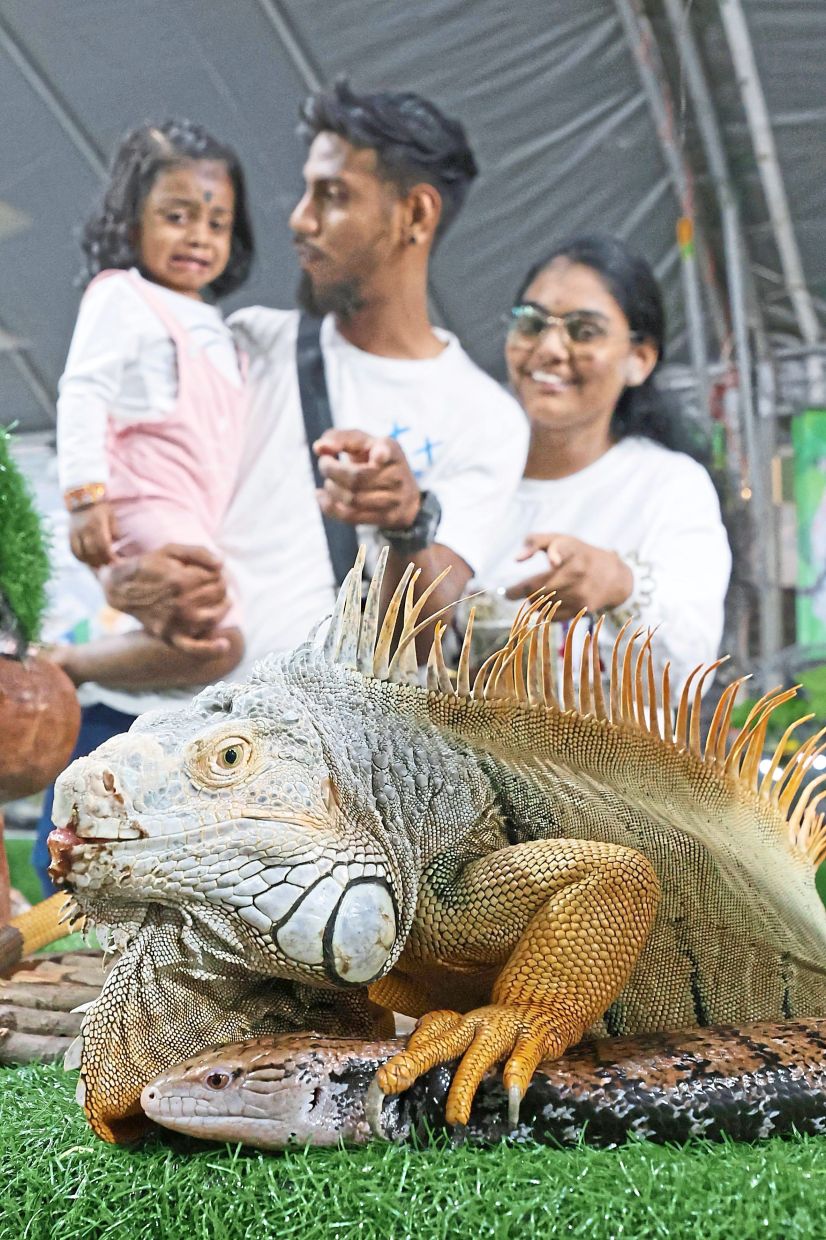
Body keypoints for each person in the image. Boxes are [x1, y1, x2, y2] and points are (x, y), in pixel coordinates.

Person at [36, 83, 528, 892]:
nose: (298, 217)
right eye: (305, 191)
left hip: (311, 813)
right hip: (164, 773)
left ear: (415, 216)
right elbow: (134, 464)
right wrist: (122, 575)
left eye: (332, 196)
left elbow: (429, 614)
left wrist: (407, 521)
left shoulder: (484, 417)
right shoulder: (246, 346)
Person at [471, 233, 731, 695]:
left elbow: (690, 672)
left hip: (611, 768)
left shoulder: (669, 487)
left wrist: (619, 585)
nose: (550, 348)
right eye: (532, 323)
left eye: (583, 330)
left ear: (639, 359)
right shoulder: (468, 476)